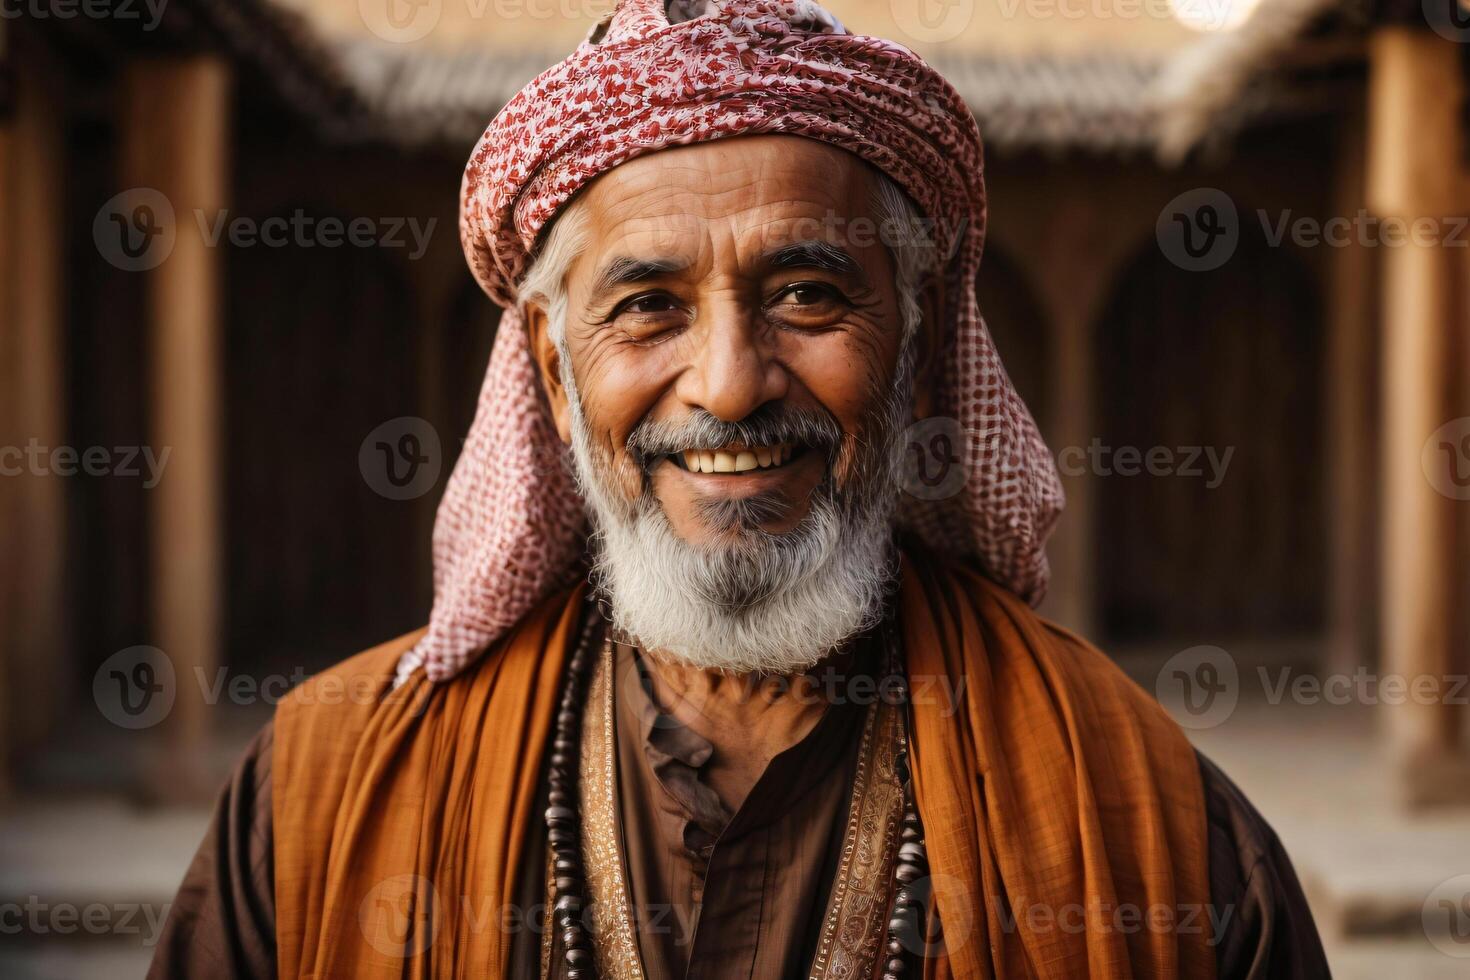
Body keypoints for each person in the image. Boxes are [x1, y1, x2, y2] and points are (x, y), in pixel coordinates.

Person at [151, 1, 1328, 977]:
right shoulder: (325, 797)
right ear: (557, 380)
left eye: (808, 294)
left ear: (916, 356)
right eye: (647, 305)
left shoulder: (1141, 812)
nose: (727, 386)